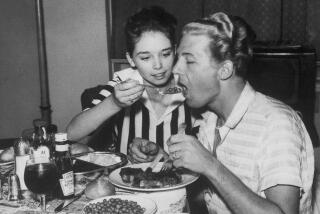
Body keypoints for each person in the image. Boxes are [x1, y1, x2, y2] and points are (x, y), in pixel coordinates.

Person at [130, 12, 314, 214]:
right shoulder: (210, 120)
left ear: (224, 70)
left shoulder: (277, 123)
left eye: (189, 61)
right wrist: (165, 158)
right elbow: (207, 197)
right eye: (178, 58)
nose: (176, 70)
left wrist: (210, 166)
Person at [66, 6, 197, 159]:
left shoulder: (191, 86)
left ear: (175, 51)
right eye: (145, 57)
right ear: (131, 59)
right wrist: (114, 103)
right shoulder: (122, 81)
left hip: (182, 179)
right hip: (124, 179)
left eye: (165, 54)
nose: (158, 65)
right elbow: (71, 133)